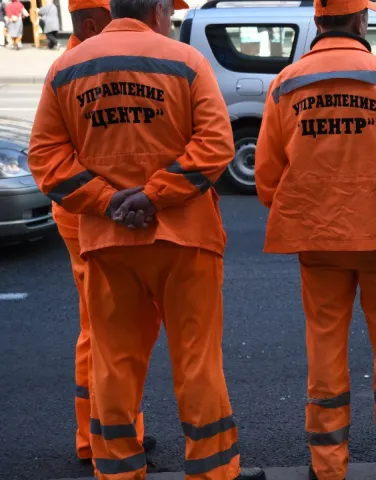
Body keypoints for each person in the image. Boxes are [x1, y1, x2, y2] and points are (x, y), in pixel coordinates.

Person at [27, 0, 265, 477]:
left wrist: (106, 201)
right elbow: (216, 146)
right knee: (197, 359)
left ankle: (117, 467)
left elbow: (46, 158)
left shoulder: (66, 68)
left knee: (112, 362)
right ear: (157, 9)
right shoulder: (185, 61)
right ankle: (213, 470)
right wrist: (154, 196)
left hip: (107, 241)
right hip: (186, 239)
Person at [254, 0, 376, 477]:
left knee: (324, 350)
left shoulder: (286, 84)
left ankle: (327, 466)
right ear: (362, 20)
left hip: (317, 239)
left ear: (317, 21)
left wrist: (301, 211)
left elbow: (266, 179)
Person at [53, 0, 157, 465]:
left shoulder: (77, 65)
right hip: (91, 217)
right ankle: (105, 439)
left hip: (89, 212)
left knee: (105, 330)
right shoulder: (82, 66)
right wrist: (117, 201)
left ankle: (108, 432)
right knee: (107, 332)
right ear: (95, 23)